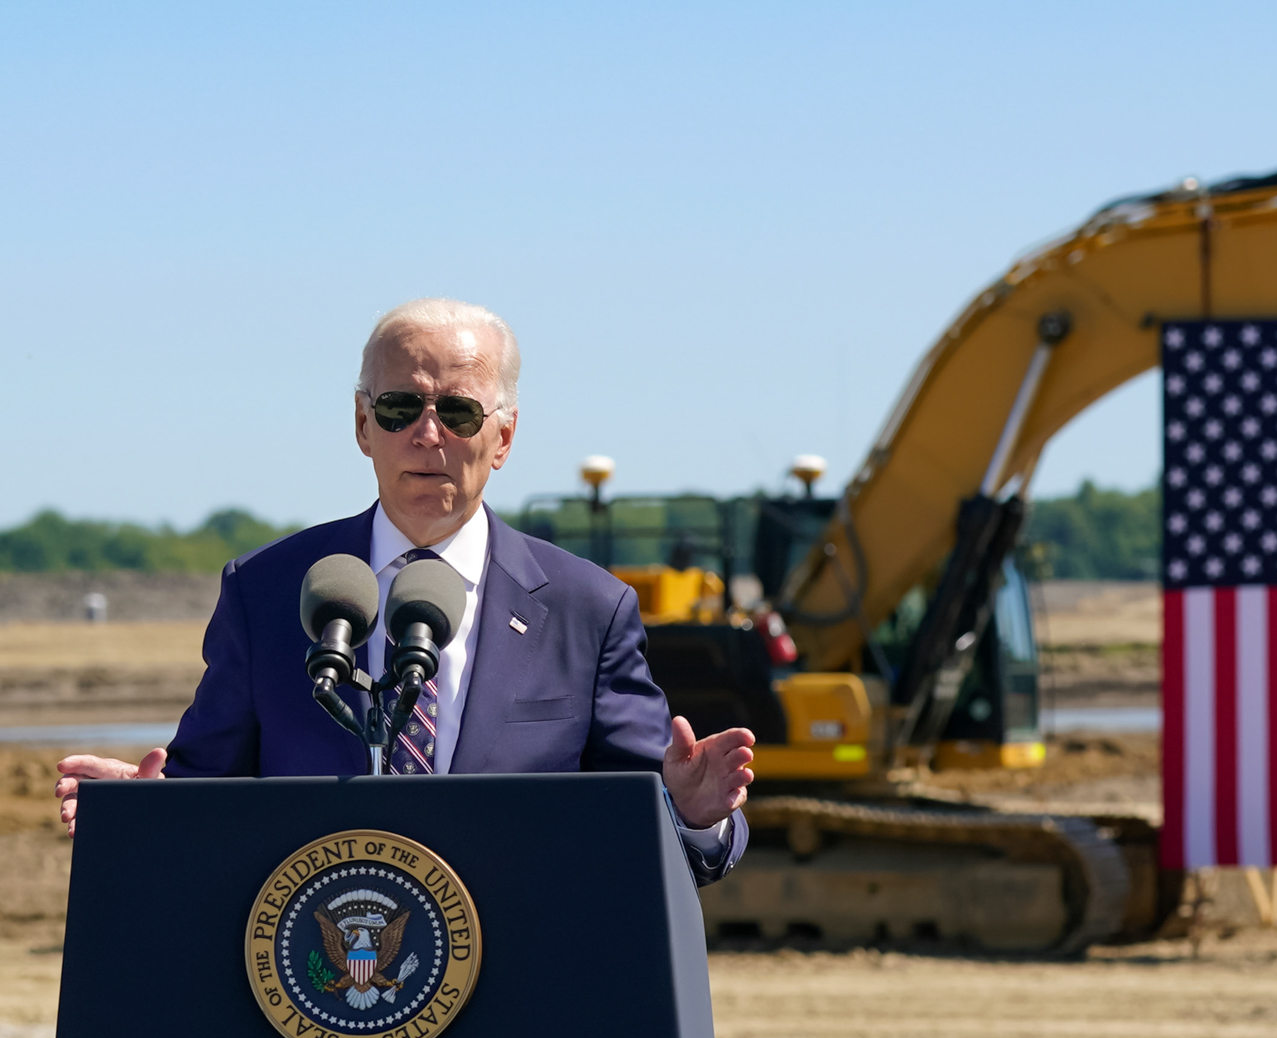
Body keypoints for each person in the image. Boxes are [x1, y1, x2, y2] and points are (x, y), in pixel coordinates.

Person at [57, 298, 756, 883]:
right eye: (399, 408)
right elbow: (206, 795)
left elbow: (650, 822)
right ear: (363, 425)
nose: (427, 435)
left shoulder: (587, 609)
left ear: (504, 436)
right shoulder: (267, 591)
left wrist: (695, 814)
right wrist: (146, 814)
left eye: (458, 412)